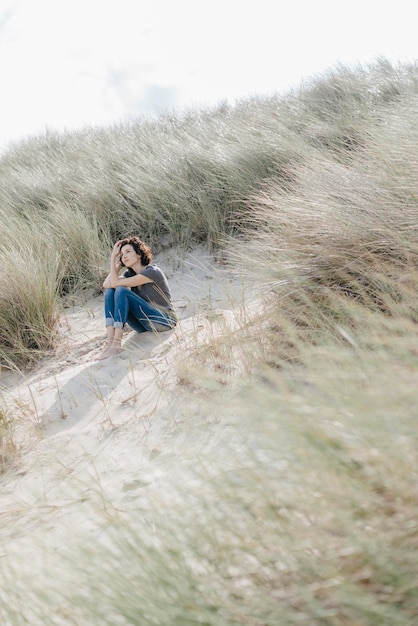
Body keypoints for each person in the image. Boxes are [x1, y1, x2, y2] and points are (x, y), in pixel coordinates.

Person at [97, 236, 176, 360]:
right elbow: (107, 284)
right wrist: (116, 262)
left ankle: (116, 344)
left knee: (121, 290)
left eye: (128, 252)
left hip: (164, 321)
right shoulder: (129, 275)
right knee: (110, 291)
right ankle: (110, 343)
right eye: (121, 254)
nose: (124, 256)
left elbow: (116, 283)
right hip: (143, 325)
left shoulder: (152, 271)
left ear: (139, 254)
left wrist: (114, 259)